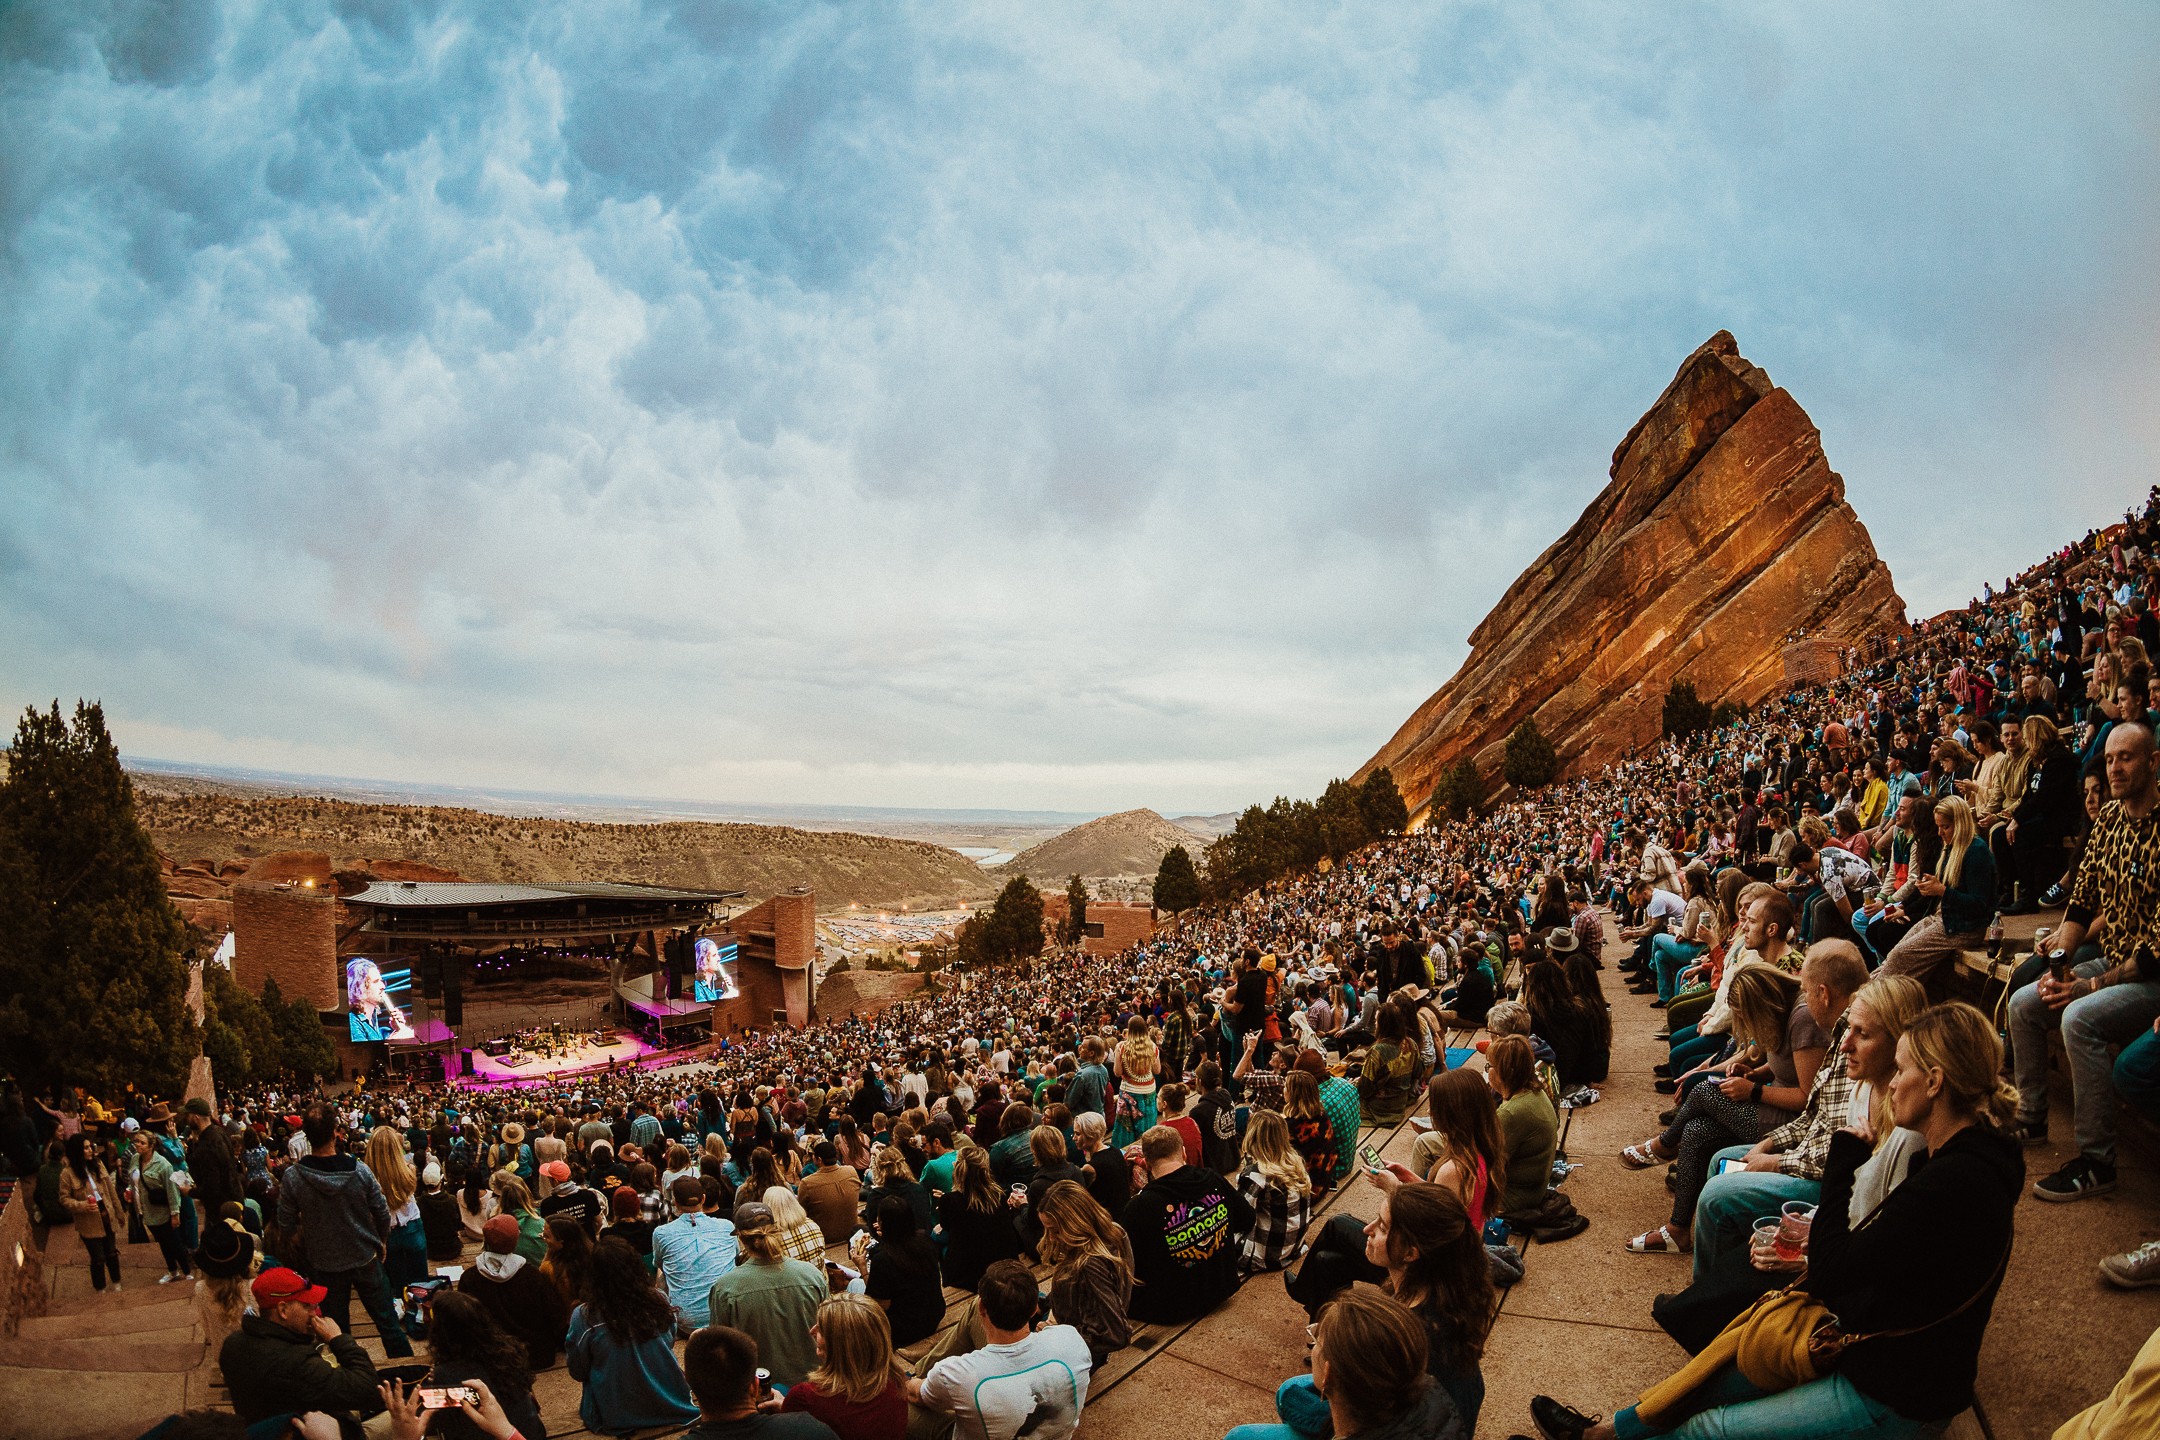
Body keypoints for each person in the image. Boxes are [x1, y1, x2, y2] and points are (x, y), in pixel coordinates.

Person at [1532, 1001, 2023, 1440]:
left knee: (1707, 1426)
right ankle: (1607, 1433)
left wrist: (1841, 1167)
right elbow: (1880, 1255)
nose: (1893, 1083)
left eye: (1902, 1070)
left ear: (1934, 1082)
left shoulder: (1953, 1183)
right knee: (1719, 1367)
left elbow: (1834, 1270)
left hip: (1895, 1393)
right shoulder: (1958, 1157)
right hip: (1861, 1335)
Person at [2007, 719, 2160, 1203]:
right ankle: (2031, 1119)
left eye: (2126, 758)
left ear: (2153, 762)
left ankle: (2097, 1161)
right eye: (2109, 758)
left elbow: (2155, 955)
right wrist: (2060, 964)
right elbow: (2081, 903)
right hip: (2114, 959)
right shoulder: (2109, 818)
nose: (2114, 768)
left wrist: (2087, 987)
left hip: (2151, 976)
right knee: (2024, 1003)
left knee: (2079, 1018)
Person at [1224, 1283, 1465, 1440]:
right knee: (1288, 1390)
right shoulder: (1430, 1394)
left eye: (1317, 1340)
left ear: (1328, 1374)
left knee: (1240, 1436)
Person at [276, 1106, 413, 1358]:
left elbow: (286, 1224)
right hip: (364, 1256)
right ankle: (406, 1372)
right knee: (388, 1323)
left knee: (338, 1331)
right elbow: (382, 1212)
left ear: (307, 1136)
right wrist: (381, 1240)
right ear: (335, 1133)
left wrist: (309, 1244)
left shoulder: (293, 1177)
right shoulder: (359, 1171)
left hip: (324, 1262)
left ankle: (350, 1373)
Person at [905, 1259, 1094, 1440]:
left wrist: (908, 1383)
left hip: (971, 1411)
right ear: (1033, 1309)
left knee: (899, 1401)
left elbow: (916, 1395)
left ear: (983, 1307)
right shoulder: (1071, 1340)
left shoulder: (956, 1374)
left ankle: (914, 1376)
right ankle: (923, 1370)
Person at [217, 1266, 385, 1430]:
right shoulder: (296, 1361)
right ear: (283, 1310)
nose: (315, 1313)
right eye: (307, 1306)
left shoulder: (233, 1343)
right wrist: (338, 1339)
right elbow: (369, 1390)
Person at [566, 1234, 701, 1434]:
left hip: (615, 1413)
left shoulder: (584, 1316)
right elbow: (668, 1343)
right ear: (635, 1266)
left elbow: (578, 1370)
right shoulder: (659, 1300)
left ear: (593, 1276)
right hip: (669, 1400)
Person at [1122, 1123, 1253, 1324]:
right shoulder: (1213, 1180)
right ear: (1183, 1153)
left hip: (1174, 1307)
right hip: (1223, 1285)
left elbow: (1129, 1265)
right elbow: (1247, 1219)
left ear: (1147, 1164)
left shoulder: (1139, 1207)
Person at [1877, 796, 1996, 998]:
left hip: (1963, 928)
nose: (1940, 832)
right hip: (1943, 918)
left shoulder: (1977, 852)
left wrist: (1942, 891)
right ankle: (1869, 996)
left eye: (1945, 827)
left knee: (1901, 955)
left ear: (1960, 824)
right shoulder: (1950, 847)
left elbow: (1980, 905)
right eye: (1938, 827)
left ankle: (1880, 999)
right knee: (1893, 955)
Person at [707, 1201, 827, 1389]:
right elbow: (830, 1331)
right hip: (813, 1384)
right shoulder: (812, 1275)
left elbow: (720, 1346)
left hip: (759, 1389)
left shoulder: (726, 1288)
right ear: (776, 1231)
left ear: (741, 1238)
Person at [1033, 1181, 1134, 1370]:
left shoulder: (1090, 1265)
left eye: (1056, 1230)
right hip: (1068, 1323)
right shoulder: (1114, 1231)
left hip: (1076, 1354)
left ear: (1075, 1223)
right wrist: (1044, 1304)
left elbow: (1116, 1334)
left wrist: (1055, 1335)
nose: (1051, 1237)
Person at [423, 1290, 548, 1440]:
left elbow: (442, 1424)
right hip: (531, 1434)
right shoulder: (509, 1353)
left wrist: (433, 1385)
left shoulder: (445, 1374)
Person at [781, 1293, 908, 1440]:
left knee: (779, 1388)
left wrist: (788, 1408)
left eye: (821, 1329)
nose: (812, 1331)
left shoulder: (805, 1398)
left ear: (840, 1345)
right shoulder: (897, 1383)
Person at [653, 1173, 739, 1335]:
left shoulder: (661, 1233)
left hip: (686, 1321)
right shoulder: (727, 1226)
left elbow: (660, 1266)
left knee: (661, 1269)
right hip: (725, 1315)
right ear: (703, 1199)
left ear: (675, 1202)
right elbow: (736, 1257)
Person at [1233, 1110, 1314, 1278]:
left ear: (1252, 1136)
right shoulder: (1296, 1161)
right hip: (1294, 1245)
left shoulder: (1255, 1176)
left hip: (1266, 1255)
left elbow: (1239, 1218)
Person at [935, 1142, 1024, 1292]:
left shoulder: (949, 1200)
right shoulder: (998, 1195)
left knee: (936, 1235)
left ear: (957, 1167)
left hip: (970, 1276)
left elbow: (946, 1226)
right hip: (1003, 1265)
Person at [863, 1193, 945, 1349]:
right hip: (933, 1316)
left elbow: (878, 1306)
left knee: (854, 1285)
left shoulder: (883, 1259)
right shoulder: (925, 1240)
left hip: (903, 1330)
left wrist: (862, 1268)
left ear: (882, 1224)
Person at [1487, 1035, 1557, 1218]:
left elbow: (1486, 1163)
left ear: (1504, 1072)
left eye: (1489, 1066)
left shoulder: (1511, 1112)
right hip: (1532, 1188)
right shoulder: (1534, 1091)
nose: (1488, 1072)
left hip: (1513, 1197)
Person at [59, 1131, 124, 1293]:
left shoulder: (98, 1164)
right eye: (86, 1148)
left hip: (105, 1211)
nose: (90, 1150)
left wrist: (119, 1212)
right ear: (77, 1151)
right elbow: (64, 1199)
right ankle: (100, 1289)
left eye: (90, 1147)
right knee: (98, 1257)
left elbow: (110, 1190)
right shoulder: (67, 1174)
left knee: (111, 1252)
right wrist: (82, 1205)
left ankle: (117, 1284)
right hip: (88, 1220)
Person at [130, 1127, 191, 1284]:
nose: (138, 1145)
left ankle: (187, 1271)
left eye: (142, 1143)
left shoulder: (163, 1165)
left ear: (151, 1146)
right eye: (136, 1141)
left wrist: (175, 1213)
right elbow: (133, 1180)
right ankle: (172, 1270)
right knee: (162, 1243)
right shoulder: (135, 1159)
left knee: (174, 1243)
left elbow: (172, 1191)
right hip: (146, 1210)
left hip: (163, 1211)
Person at [800, 1141, 863, 1246]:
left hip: (824, 1237)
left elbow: (801, 1213)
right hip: (851, 1231)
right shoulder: (851, 1171)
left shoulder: (807, 1183)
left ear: (819, 1159)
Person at [418, 1161, 465, 1261]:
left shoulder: (420, 1203)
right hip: (452, 1249)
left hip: (431, 1250)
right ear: (441, 1180)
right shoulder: (451, 1200)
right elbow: (458, 1225)